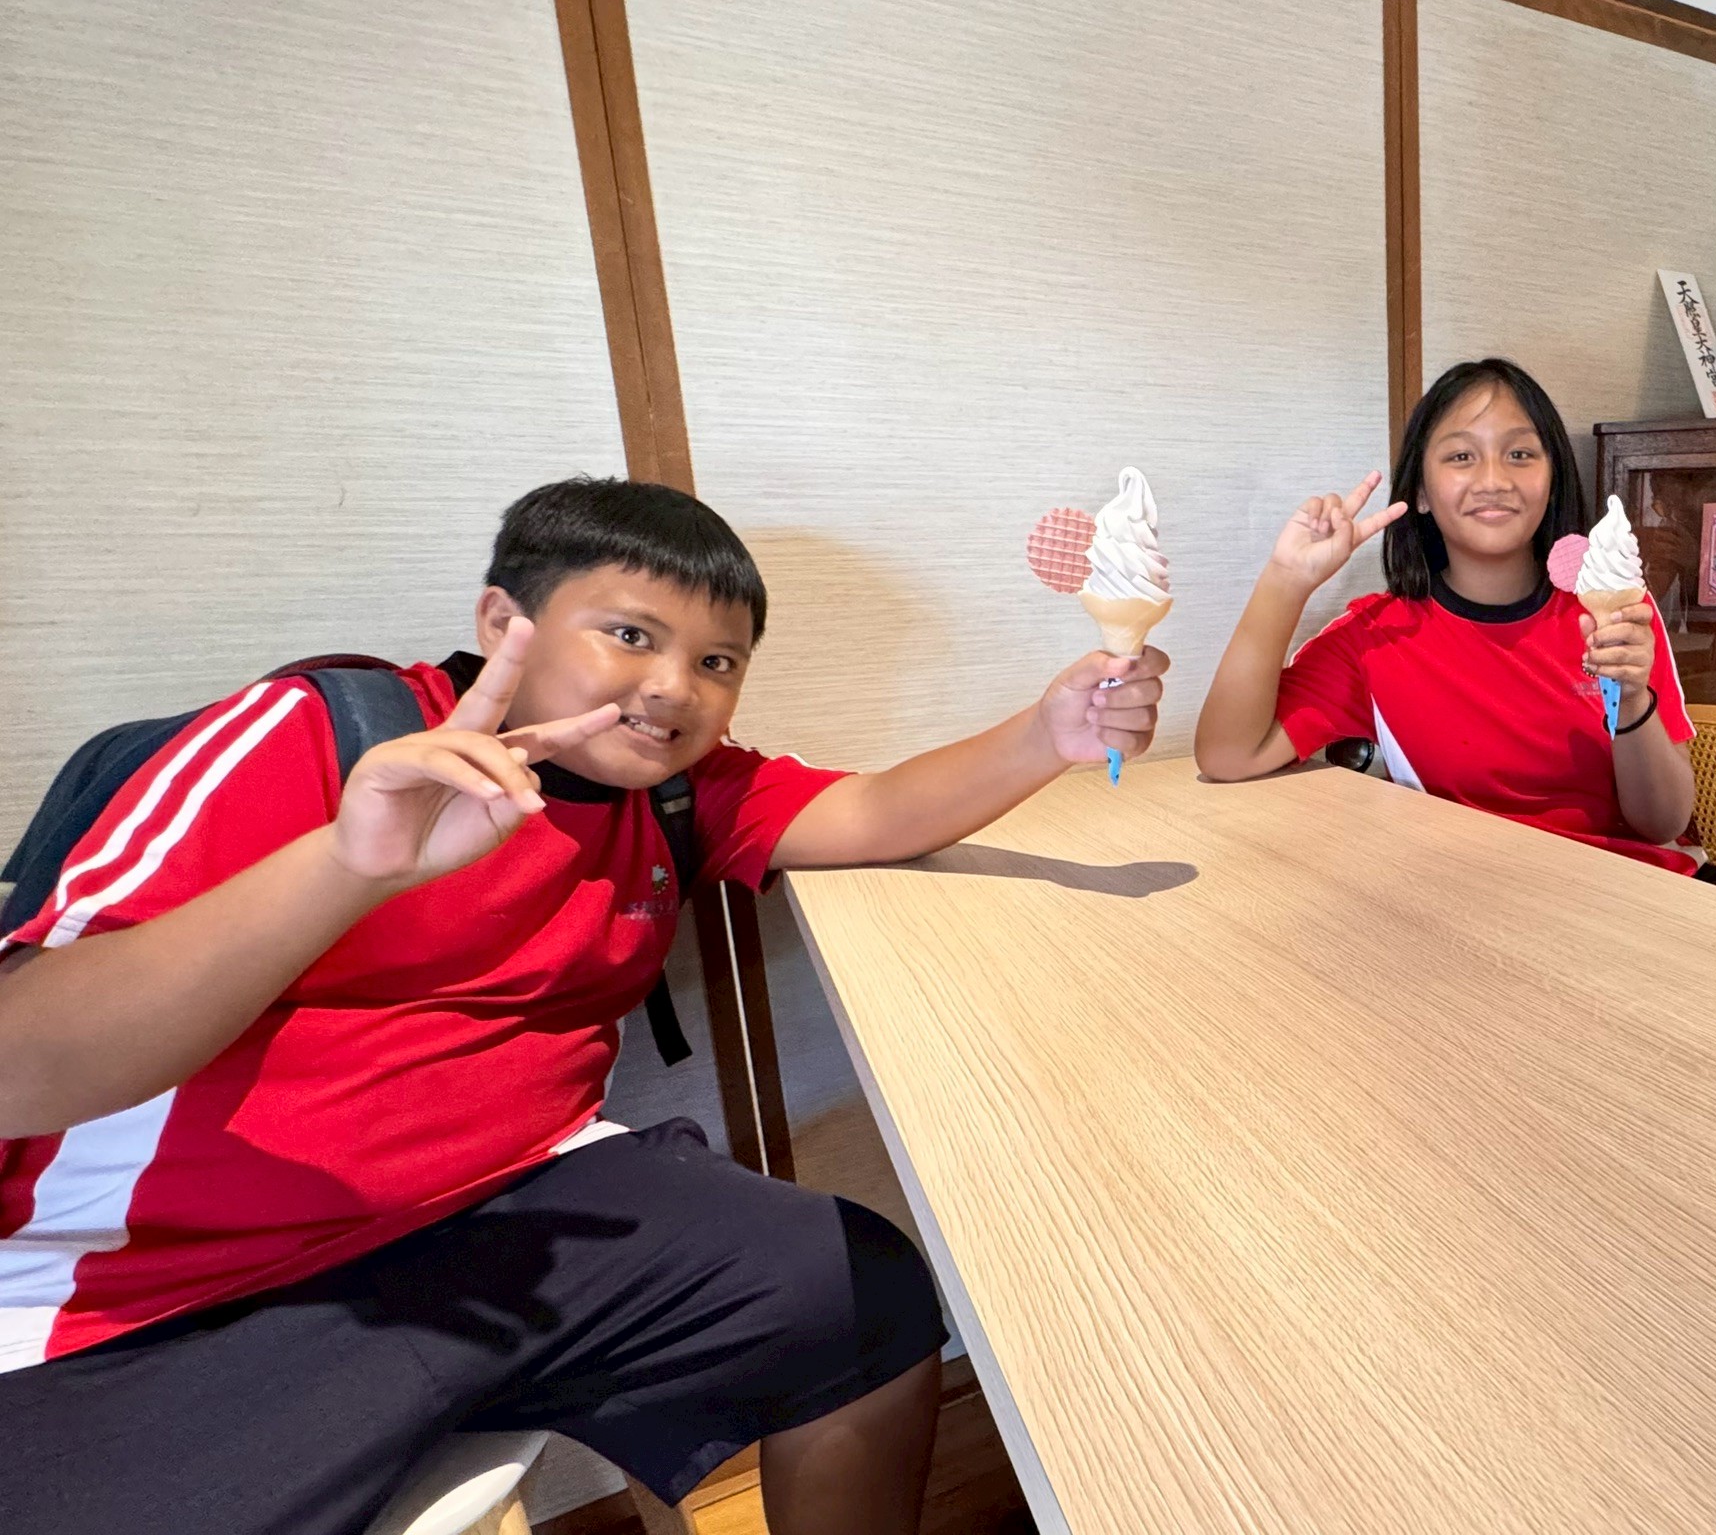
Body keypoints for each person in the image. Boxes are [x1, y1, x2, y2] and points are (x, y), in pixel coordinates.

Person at [0, 479, 1167, 1535]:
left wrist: (1047, 733)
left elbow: (868, 812)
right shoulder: (326, 733)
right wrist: (349, 864)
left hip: (524, 1214)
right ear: (502, 621)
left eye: (718, 661)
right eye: (631, 635)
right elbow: (20, 1066)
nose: (674, 687)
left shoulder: (675, 794)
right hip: (160, 1298)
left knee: (862, 1293)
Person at [1195, 357, 1705, 875]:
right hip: (1471, 896)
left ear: (1552, 479)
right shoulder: (1374, 638)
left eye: (1520, 454)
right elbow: (1227, 756)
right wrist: (1286, 580)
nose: (1494, 479)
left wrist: (1631, 697)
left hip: (1634, 890)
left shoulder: (1615, 614)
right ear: (1420, 491)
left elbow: (1662, 822)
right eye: (1462, 456)